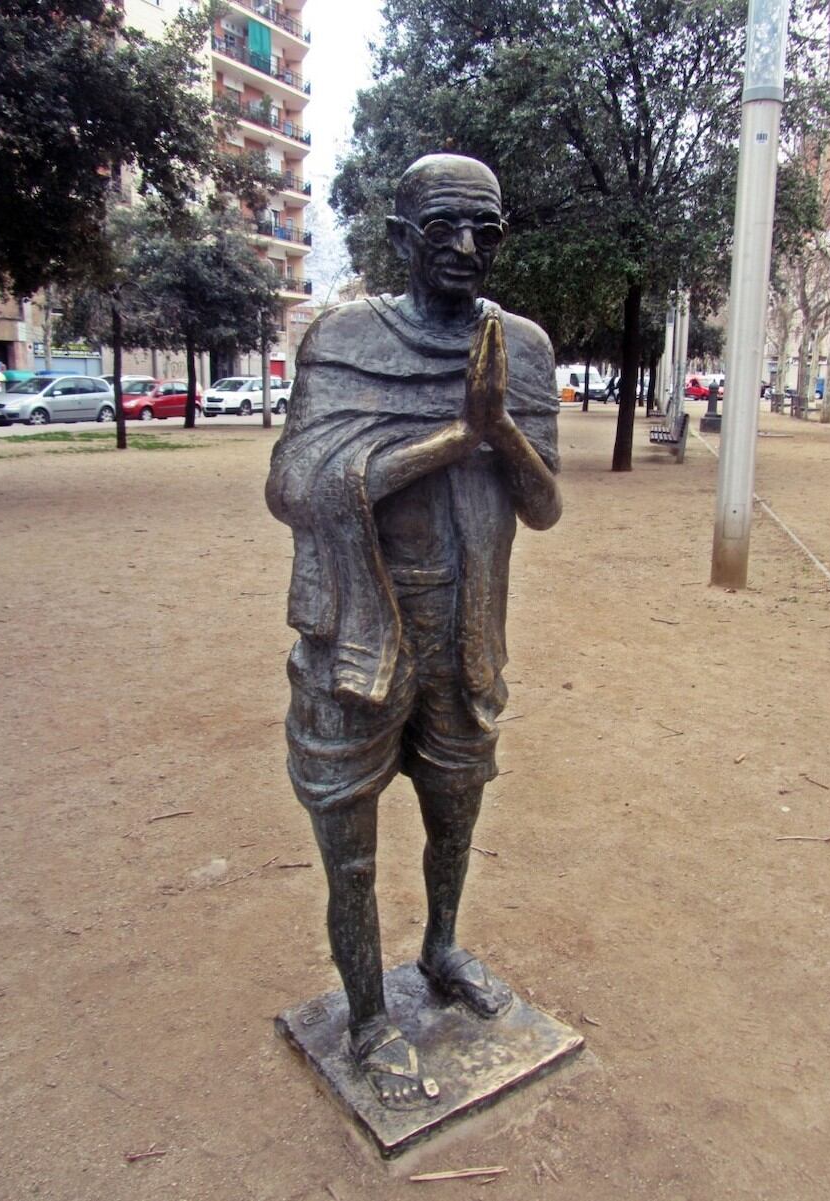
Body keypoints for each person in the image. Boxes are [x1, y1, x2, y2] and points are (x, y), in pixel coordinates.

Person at [266, 153, 561, 1111]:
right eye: (443, 230)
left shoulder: (520, 349)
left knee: (455, 811)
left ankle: (439, 948)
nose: (468, 249)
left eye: (486, 230)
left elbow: (544, 503)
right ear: (401, 239)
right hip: (359, 637)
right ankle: (365, 1015)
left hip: (465, 632)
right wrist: (454, 438)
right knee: (349, 846)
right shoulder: (345, 338)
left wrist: (501, 428)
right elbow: (295, 486)